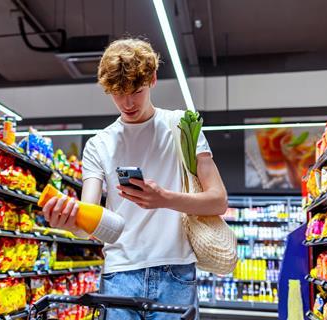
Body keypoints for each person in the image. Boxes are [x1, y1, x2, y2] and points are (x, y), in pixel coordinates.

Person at [40, 38, 228, 319]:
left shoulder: (182, 126)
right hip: (119, 274)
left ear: (152, 79)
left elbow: (218, 201)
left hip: (175, 272)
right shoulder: (98, 144)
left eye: (135, 91)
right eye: (118, 93)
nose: (127, 102)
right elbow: (87, 221)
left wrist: (164, 198)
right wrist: (69, 220)